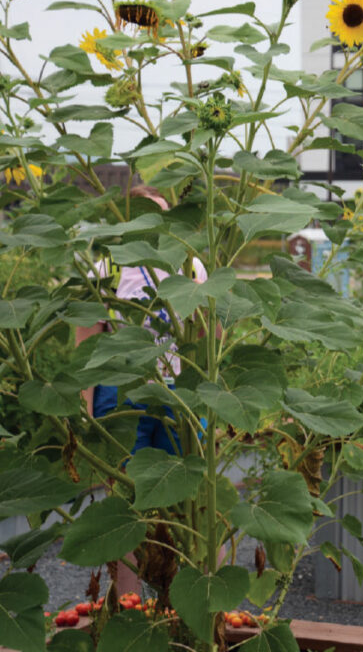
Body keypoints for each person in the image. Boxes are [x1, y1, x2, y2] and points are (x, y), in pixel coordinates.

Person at [75, 185, 208, 592]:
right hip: (123, 395)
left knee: (184, 500)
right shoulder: (107, 271)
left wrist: (210, 403)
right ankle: (128, 603)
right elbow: (88, 345)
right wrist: (87, 408)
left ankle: (178, 605)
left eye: (160, 215)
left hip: (177, 394)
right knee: (126, 506)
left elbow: (204, 339)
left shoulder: (190, 268)